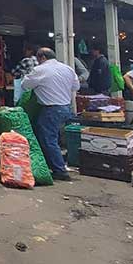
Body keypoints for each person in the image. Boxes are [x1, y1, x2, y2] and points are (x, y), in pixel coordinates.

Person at [22, 48, 79, 181]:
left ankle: (60, 170)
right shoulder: (67, 69)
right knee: (55, 138)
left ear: (42, 57)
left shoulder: (40, 70)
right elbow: (76, 87)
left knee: (48, 140)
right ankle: (57, 162)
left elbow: (25, 85)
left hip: (51, 109)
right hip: (66, 108)